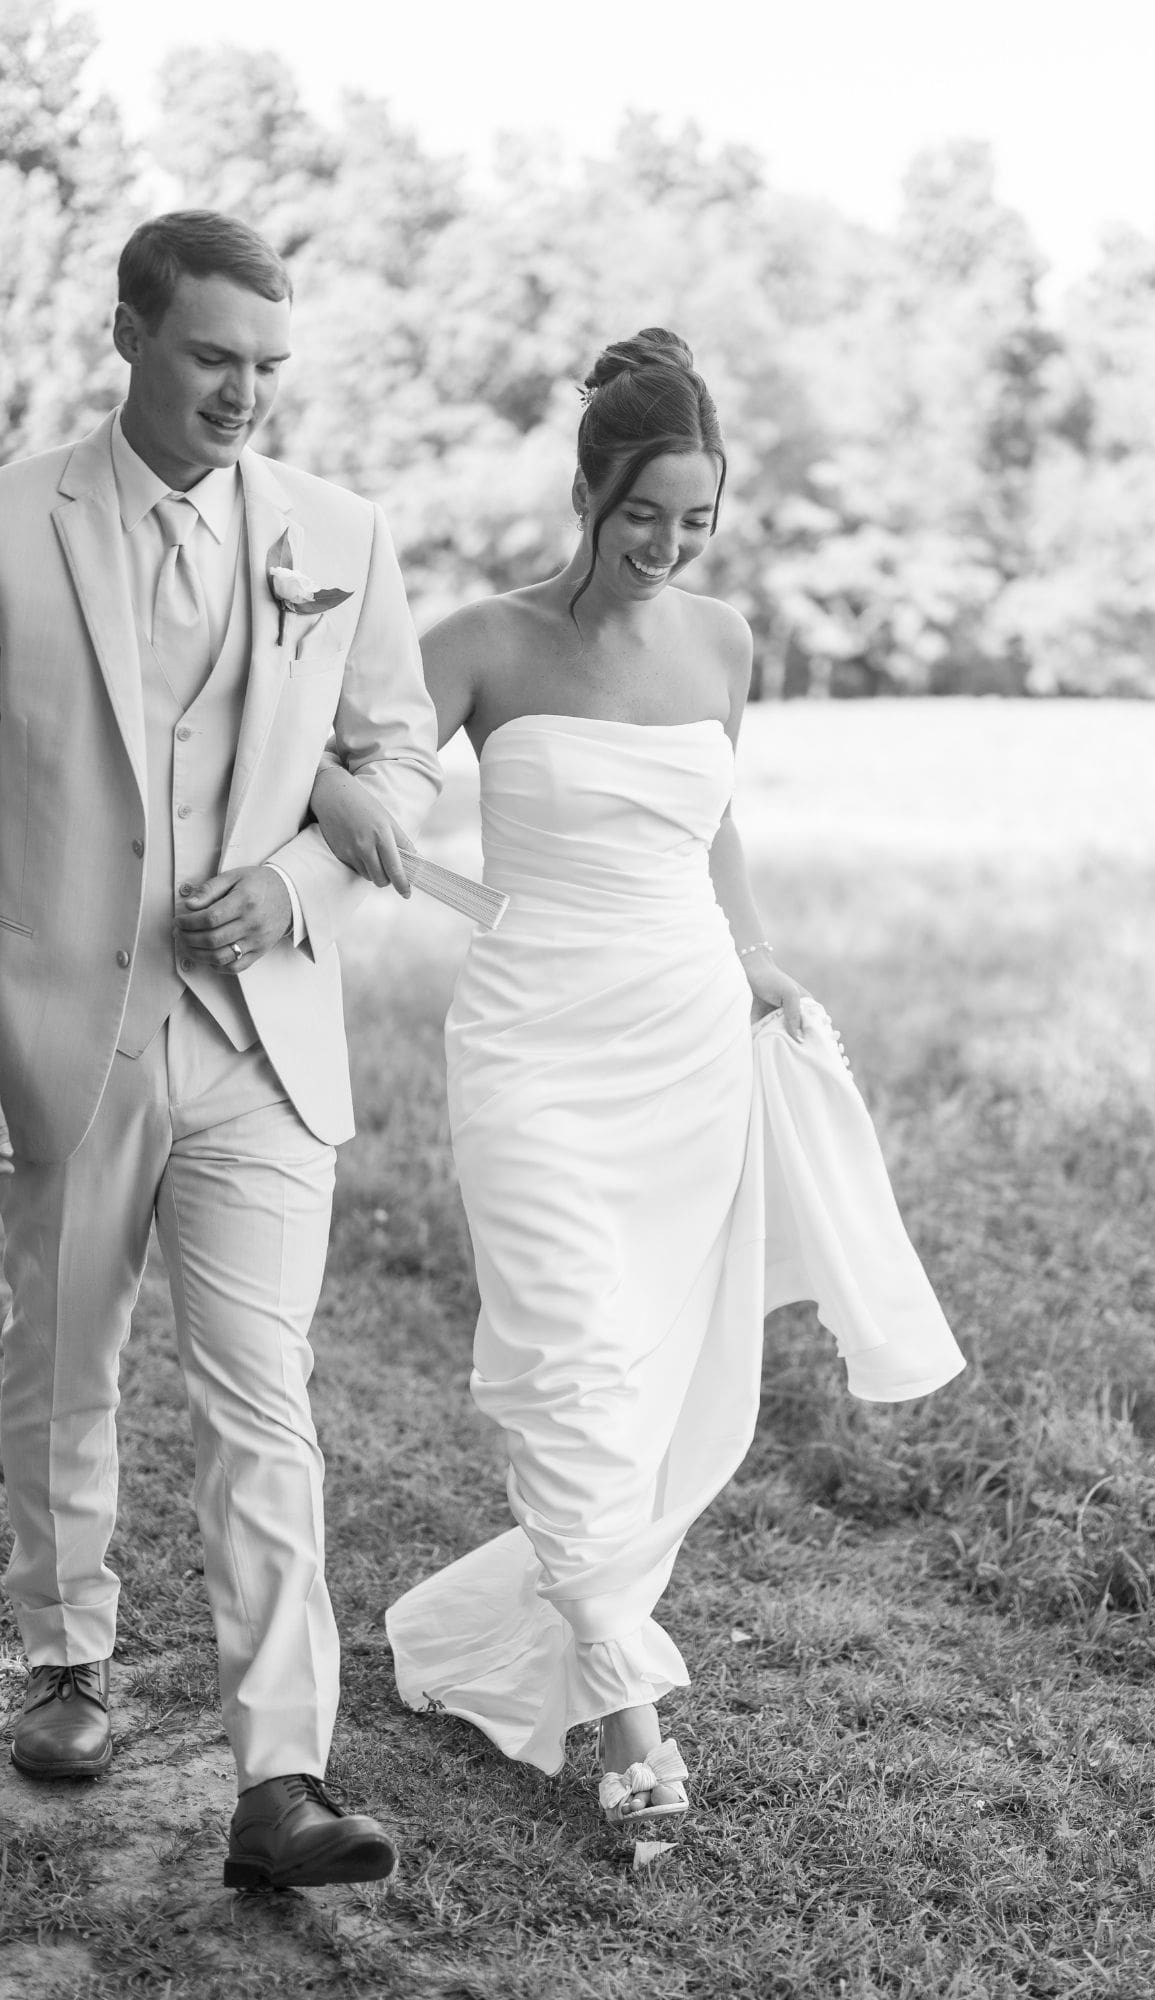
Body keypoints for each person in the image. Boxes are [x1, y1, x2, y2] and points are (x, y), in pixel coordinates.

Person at [311, 328, 965, 1830]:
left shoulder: (724, 644)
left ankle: (583, 1650)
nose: (667, 547)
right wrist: (340, 789)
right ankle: (624, 1709)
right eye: (641, 516)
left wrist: (758, 956)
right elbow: (353, 758)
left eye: (695, 520)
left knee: (654, 1370)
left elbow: (711, 826)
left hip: (683, 1033)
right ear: (588, 496)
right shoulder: (481, 640)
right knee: (565, 1358)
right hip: (533, 1038)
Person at [0, 211, 443, 1888]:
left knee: (264, 1399)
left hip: (263, 1038)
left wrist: (303, 872)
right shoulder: (10, 518)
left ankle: (282, 1778)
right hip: (62, 1019)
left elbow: (400, 768)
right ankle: (66, 1662)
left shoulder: (337, 531)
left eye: (269, 366)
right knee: (60, 1363)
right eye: (212, 358)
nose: (246, 393)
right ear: (127, 336)